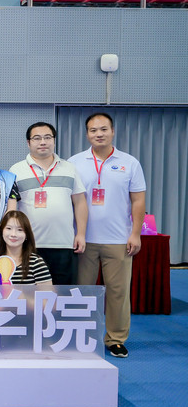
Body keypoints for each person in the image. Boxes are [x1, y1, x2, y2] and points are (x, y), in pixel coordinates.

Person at [69, 112, 146, 359]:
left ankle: (115, 339)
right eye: (93, 130)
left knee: (118, 292)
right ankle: (80, 336)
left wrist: (135, 233)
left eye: (103, 129)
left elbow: (138, 200)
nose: (99, 134)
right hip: (83, 239)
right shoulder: (74, 162)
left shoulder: (129, 163)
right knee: (81, 291)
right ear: (87, 134)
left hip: (118, 240)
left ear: (112, 131)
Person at [9, 122, 87, 285]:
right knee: (29, 294)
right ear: (28, 142)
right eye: (37, 138)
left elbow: (80, 203)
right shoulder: (16, 170)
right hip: (28, 244)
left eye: (47, 137)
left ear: (54, 140)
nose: (43, 142)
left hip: (64, 244)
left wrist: (80, 234)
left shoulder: (69, 168)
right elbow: (11, 209)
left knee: (63, 292)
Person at [0, 210, 53, 286]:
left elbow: (47, 293)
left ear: (26, 234)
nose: (13, 234)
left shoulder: (36, 263)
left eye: (20, 230)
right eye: (9, 228)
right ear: (1, 232)